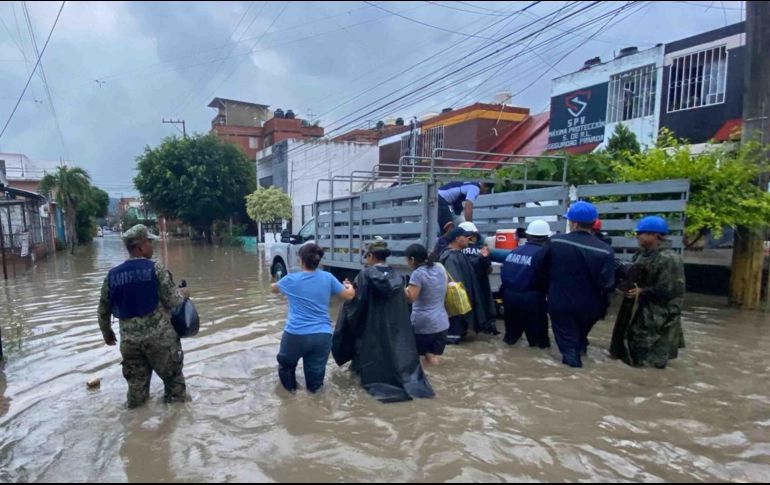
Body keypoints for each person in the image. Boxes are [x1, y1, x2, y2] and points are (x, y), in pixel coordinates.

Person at [97, 224, 190, 409]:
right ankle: (174, 430)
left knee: (136, 395)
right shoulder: (155, 269)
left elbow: (103, 310)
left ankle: (136, 432)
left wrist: (107, 333)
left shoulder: (112, 275)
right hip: (160, 341)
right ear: (140, 246)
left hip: (130, 345)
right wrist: (184, 293)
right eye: (149, 241)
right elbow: (174, 301)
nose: (152, 245)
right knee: (175, 390)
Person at [332, 240, 434, 403]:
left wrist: (349, 291)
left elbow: (357, 305)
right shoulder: (396, 275)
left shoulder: (365, 275)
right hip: (392, 329)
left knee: (360, 368)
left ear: (371, 255)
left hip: (371, 330)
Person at [533, 202, 615, 368]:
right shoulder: (606, 250)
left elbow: (537, 265)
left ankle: (574, 377)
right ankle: (582, 355)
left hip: (562, 304)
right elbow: (607, 284)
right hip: (591, 308)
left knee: (569, 348)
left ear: (574, 223)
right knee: (580, 338)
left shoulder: (556, 242)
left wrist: (550, 284)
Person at [271, 244, 355, 393]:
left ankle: (290, 400)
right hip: (322, 336)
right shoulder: (328, 278)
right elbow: (348, 296)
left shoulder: (290, 279)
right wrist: (350, 287)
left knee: (286, 365)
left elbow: (274, 289)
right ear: (319, 262)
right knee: (316, 382)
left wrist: (276, 280)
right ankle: (316, 406)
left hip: (295, 334)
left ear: (300, 260)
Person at [609, 216, 686, 368]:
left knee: (652, 359)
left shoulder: (669, 259)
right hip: (638, 313)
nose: (637, 236)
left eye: (641, 233)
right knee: (631, 351)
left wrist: (641, 292)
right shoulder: (641, 255)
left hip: (660, 318)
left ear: (654, 235)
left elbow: (670, 289)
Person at [439, 227, 498, 344]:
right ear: (457, 239)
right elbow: (454, 288)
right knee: (454, 338)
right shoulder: (450, 257)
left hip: (461, 308)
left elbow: (471, 266)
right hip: (456, 310)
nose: (468, 239)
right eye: (465, 237)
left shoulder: (457, 254)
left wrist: (483, 257)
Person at [500, 220, 551, 348]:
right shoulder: (544, 254)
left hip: (509, 298)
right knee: (539, 344)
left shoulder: (515, 251)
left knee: (510, 339)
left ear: (528, 236)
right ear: (547, 237)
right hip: (532, 299)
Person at [405, 244, 449, 365]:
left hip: (424, 326)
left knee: (418, 360)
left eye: (407, 260)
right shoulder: (440, 267)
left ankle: (427, 382)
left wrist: (399, 286)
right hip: (442, 324)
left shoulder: (418, 274)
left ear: (412, 259)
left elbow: (410, 298)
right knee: (432, 356)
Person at [458, 221, 497, 333]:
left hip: (465, 286)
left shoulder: (456, 250)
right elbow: (488, 269)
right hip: (480, 285)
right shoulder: (483, 249)